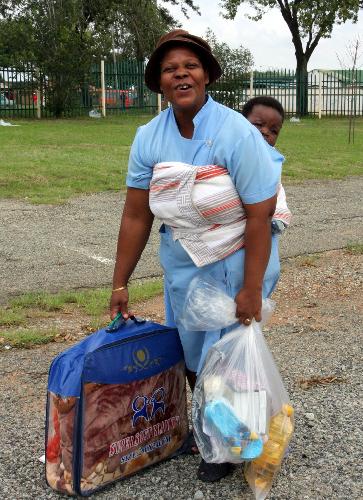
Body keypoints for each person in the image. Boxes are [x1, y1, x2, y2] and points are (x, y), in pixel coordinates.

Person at [110, 29, 281, 482]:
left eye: (190, 65)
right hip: (183, 261)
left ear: (205, 75)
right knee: (191, 355)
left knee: (226, 358)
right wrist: (120, 282)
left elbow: (259, 215)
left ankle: (231, 445)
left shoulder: (236, 132)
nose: (181, 73)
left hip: (238, 256)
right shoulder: (149, 137)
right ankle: (212, 427)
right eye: (170, 68)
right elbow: (136, 215)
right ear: (160, 82)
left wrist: (250, 289)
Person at [242, 96, 292, 234]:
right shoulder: (230, 150)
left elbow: (276, 187)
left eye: (274, 131)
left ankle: (278, 219)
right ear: (240, 122)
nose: (265, 131)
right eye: (258, 124)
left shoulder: (272, 158)